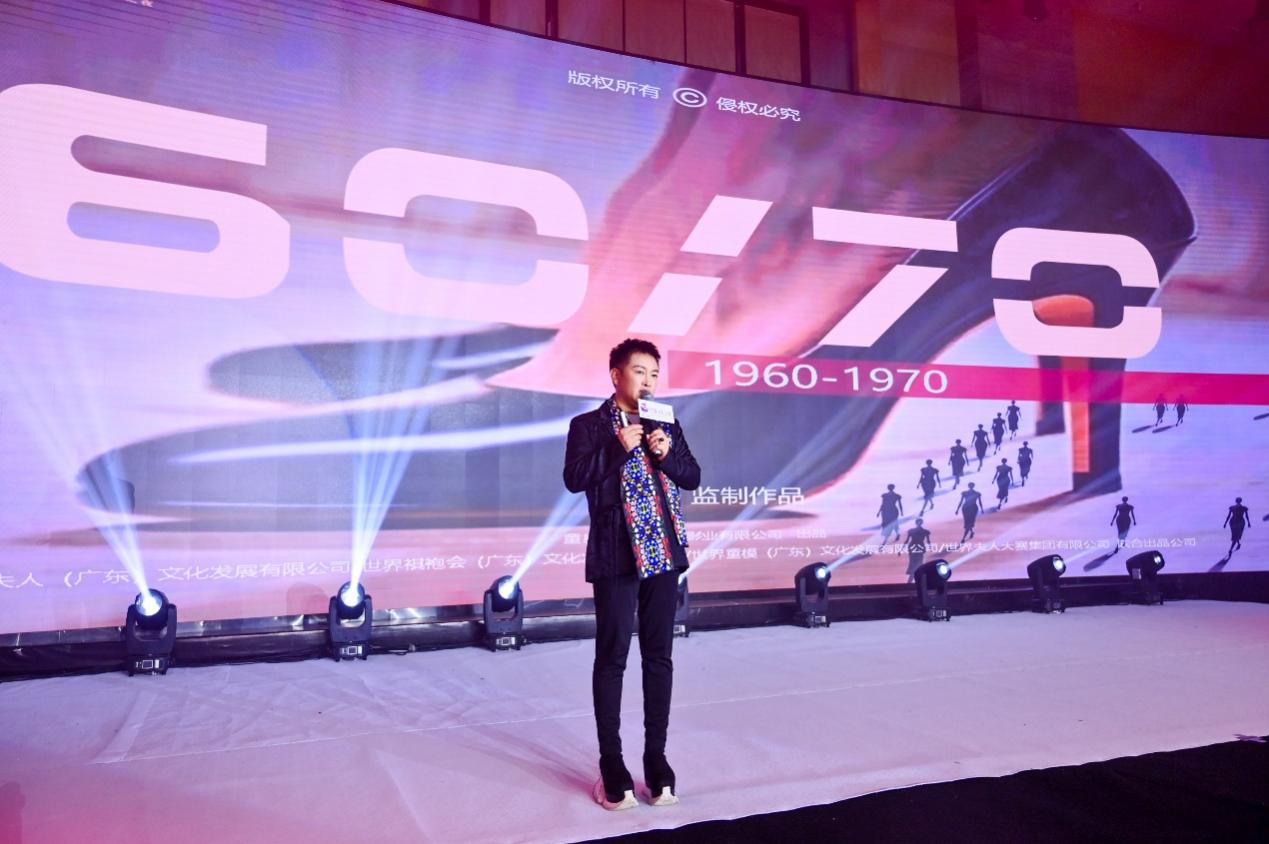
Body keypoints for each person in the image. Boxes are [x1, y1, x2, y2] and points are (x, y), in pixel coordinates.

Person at [563, 338, 701, 811]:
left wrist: (666, 454)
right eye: (640, 371)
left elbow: (692, 476)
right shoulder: (588, 426)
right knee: (613, 657)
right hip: (616, 555)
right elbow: (575, 478)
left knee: (659, 657)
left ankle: (655, 759)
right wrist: (617, 447)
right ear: (617, 375)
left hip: (662, 551)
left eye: (654, 374)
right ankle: (612, 763)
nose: (648, 381)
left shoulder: (666, 422)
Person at [903, 518, 932, 583]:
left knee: (919, 562)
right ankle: (913, 578)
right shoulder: (911, 531)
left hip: (920, 547)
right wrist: (901, 549)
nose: (919, 523)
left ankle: (915, 578)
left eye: (920, 522)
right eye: (918, 522)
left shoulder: (925, 531)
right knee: (913, 562)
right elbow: (907, 540)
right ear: (916, 523)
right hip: (912, 547)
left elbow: (928, 541)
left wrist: (930, 547)